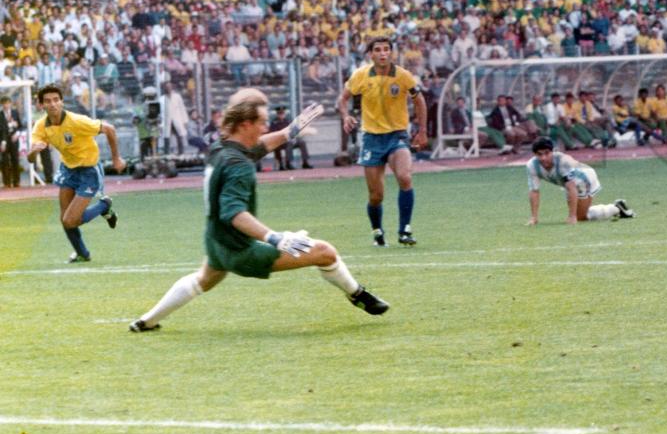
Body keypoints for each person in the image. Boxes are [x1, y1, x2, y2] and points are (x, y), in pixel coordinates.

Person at [128, 95, 387, 333]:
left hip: (216, 242)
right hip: (240, 251)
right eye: (261, 122)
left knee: (202, 280)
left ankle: (146, 321)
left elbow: (259, 145)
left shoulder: (221, 148)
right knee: (326, 253)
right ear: (245, 125)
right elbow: (234, 213)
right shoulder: (239, 166)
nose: (265, 127)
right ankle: (358, 295)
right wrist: (274, 237)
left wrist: (289, 131)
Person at [338, 35, 429, 247]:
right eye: (378, 49)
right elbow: (342, 99)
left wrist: (422, 130)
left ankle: (404, 230)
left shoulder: (403, 76)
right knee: (376, 195)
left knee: (405, 178)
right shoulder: (361, 75)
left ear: (391, 52)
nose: (383, 53)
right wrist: (345, 116)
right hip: (371, 138)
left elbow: (419, 100)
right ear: (371, 54)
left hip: (397, 135)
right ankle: (378, 232)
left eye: (386, 49)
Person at [27, 84, 125, 263]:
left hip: (89, 170)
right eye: (48, 101)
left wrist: (116, 159)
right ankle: (82, 254)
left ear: (62, 102)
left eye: (56, 100)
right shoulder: (41, 126)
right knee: (65, 219)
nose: (53, 104)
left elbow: (109, 129)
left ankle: (105, 206)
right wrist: (34, 151)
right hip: (68, 170)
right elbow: (30, 159)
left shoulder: (77, 121)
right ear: (41, 105)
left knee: (71, 220)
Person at [525, 137, 634, 225]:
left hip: (584, 178)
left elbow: (571, 187)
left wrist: (572, 216)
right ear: (535, 155)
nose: (543, 158)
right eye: (539, 154)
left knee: (581, 217)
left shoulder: (563, 161)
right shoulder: (532, 166)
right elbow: (534, 191)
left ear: (552, 152)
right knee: (581, 214)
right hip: (569, 184)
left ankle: (616, 208)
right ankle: (617, 207)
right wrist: (534, 218)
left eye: (547, 153)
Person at [0, 95, 21, 187]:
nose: (6, 105)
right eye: (4, 104)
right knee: (5, 161)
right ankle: (7, 182)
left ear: (10, 104)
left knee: (15, 160)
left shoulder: (15, 112)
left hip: (14, 140)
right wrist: (3, 142)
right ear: (1, 104)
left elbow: (20, 125)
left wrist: (17, 133)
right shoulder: (0, 114)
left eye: (7, 103)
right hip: (3, 141)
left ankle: (16, 181)